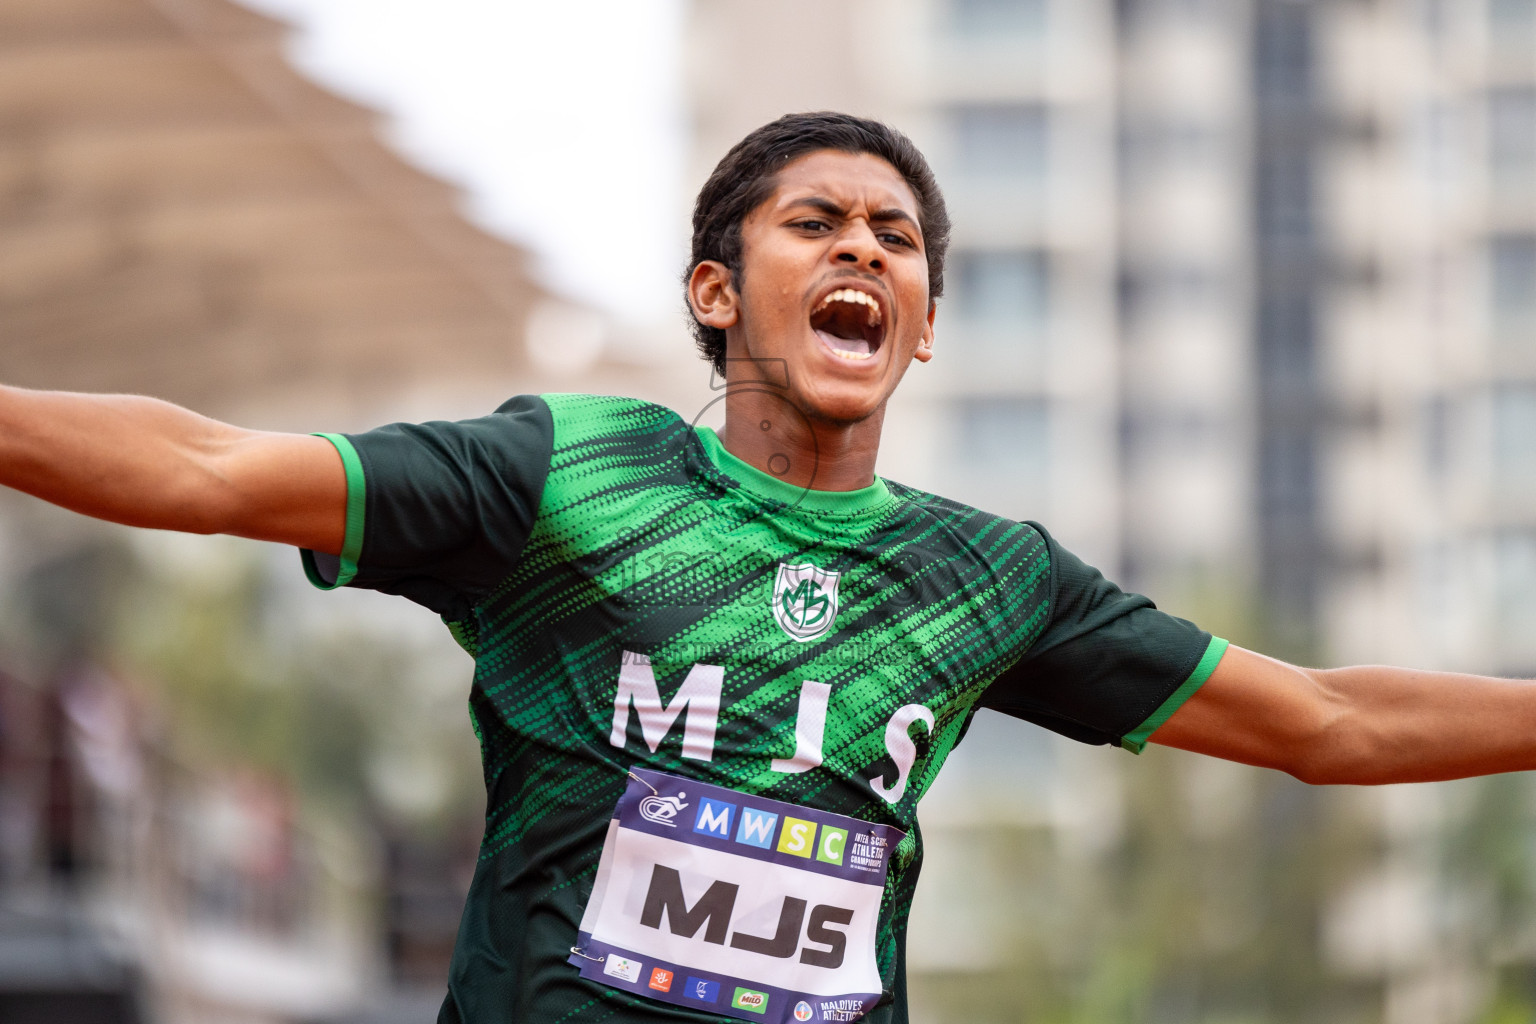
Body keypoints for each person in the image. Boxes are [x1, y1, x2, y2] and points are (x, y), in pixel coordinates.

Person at [1, 111, 1532, 1024]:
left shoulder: (984, 577)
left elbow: (1328, 723)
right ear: (719, 292)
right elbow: (208, 469)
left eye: (897, 238)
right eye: (819, 224)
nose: (866, 250)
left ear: (925, 325)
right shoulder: (566, 477)